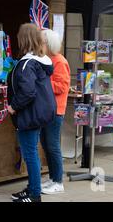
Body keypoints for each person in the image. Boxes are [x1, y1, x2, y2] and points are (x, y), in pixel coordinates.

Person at [7, 23, 56, 202]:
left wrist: (13, 106)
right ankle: (31, 188)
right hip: (38, 114)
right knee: (32, 153)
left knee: (30, 154)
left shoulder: (27, 64)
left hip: (29, 114)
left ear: (24, 40)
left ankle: (34, 195)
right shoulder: (39, 61)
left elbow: (28, 92)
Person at [39, 29, 70, 195]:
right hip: (46, 109)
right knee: (46, 144)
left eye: (42, 41)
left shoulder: (59, 61)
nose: (39, 44)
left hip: (55, 110)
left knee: (52, 146)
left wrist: (42, 82)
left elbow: (62, 87)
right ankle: (52, 178)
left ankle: (58, 181)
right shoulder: (47, 60)